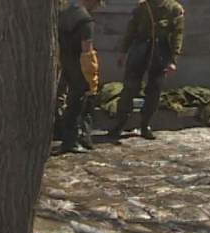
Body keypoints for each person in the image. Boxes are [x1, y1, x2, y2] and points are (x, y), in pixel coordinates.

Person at [108, 0, 185, 141]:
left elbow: (177, 35)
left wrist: (173, 60)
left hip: (160, 52)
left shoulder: (174, 9)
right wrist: (123, 52)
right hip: (140, 49)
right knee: (129, 88)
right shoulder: (142, 7)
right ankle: (120, 124)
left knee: (154, 90)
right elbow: (131, 30)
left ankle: (145, 124)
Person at [57, 0, 104, 154]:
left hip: (65, 59)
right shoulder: (85, 20)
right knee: (78, 101)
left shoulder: (64, 13)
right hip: (79, 63)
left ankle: (71, 137)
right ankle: (71, 141)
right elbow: (87, 49)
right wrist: (92, 74)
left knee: (71, 100)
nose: (98, 7)